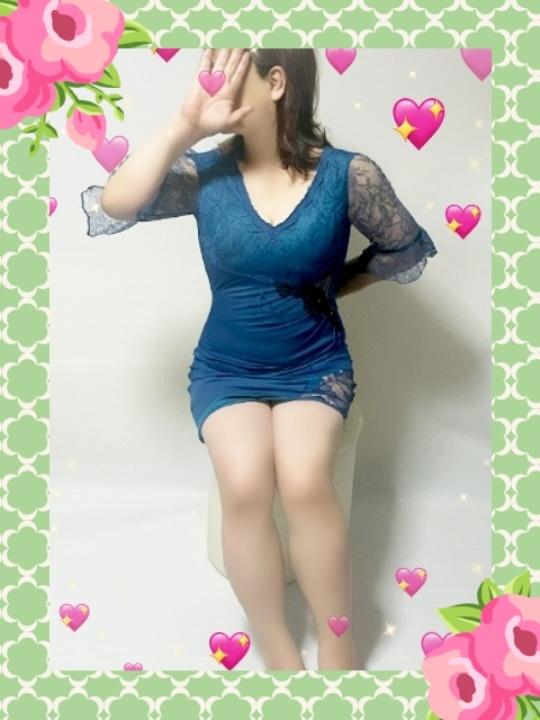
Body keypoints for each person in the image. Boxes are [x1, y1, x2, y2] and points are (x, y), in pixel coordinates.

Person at [81, 48, 438, 671]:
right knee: (245, 485)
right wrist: (185, 125)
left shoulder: (349, 175)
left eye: (226, 72)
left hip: (313, 365)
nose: (211, 84)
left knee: (304, 481)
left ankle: (337, 640)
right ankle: (276, 646)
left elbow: (403, 247)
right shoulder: (205, 174)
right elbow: (116, 203)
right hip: (226, 368)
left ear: (276, 81)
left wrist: (332, 285)